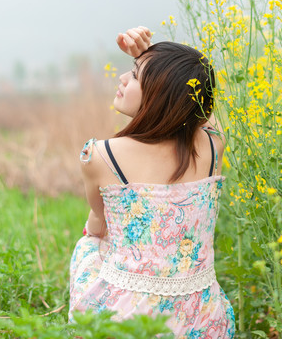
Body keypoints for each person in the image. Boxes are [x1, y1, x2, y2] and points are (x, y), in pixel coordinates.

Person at [69, 26, 235, 338]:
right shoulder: (214, 145)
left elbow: (99, 222)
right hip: (201, 320)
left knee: (90, 242)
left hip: (129, 322)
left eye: (134, 75)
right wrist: (149, 63)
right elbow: (203, 112)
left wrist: (146, 59)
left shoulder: (100, 155)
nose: (122, 79)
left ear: (160, 94)